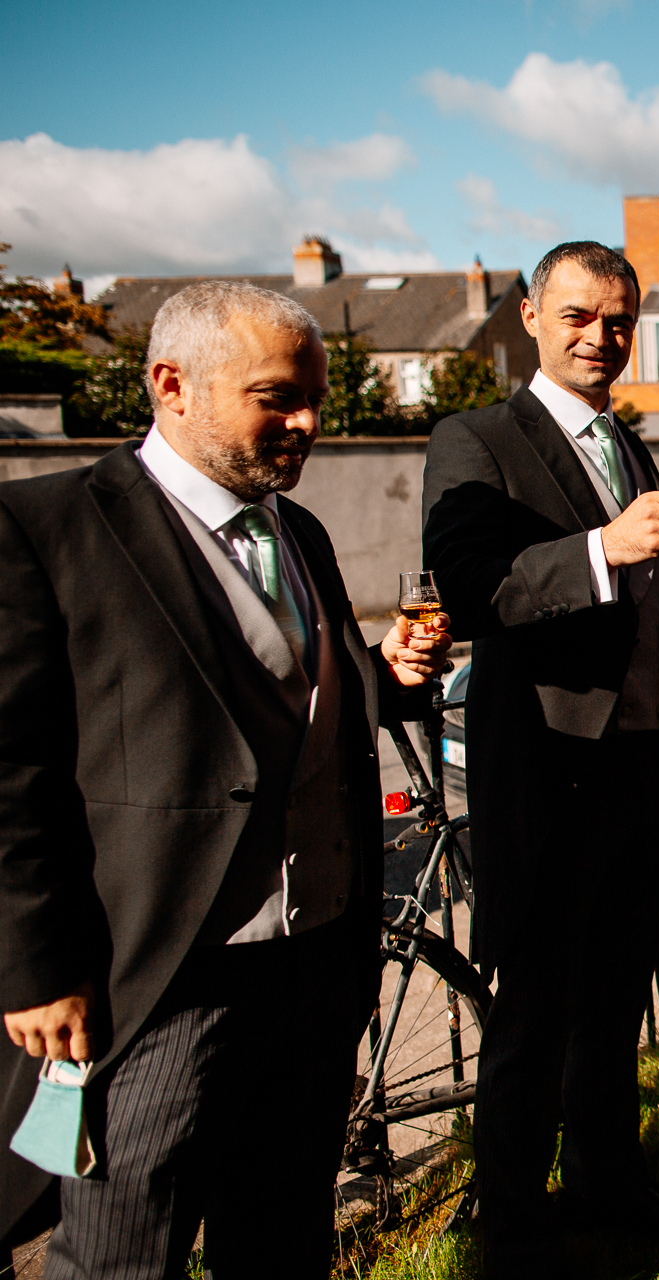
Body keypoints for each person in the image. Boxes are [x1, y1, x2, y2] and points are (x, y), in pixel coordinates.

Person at [0, 280, 453, 1278]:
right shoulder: (48, 528)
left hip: (315, 968)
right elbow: (11, 770)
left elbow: (292, 707)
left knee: (284, 1237)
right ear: (173, 384)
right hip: (160, 979)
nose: (307, 423)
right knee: (127, 1251)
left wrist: (388, 678)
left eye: (316, 399)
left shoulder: (302, 532)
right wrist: (31, 964)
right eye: (276, 397)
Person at [421, 241, 659, 1270]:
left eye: (620, 319)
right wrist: (604, 547)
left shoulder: (631, 449)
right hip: (547, 775)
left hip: (642, 771)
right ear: (530, 314)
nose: (603, 336)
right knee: (532, 1014)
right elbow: (471, 584)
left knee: (614, 1002)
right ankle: (511, 1227)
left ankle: (611, 1185)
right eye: (581, 315)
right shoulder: (477, 437)